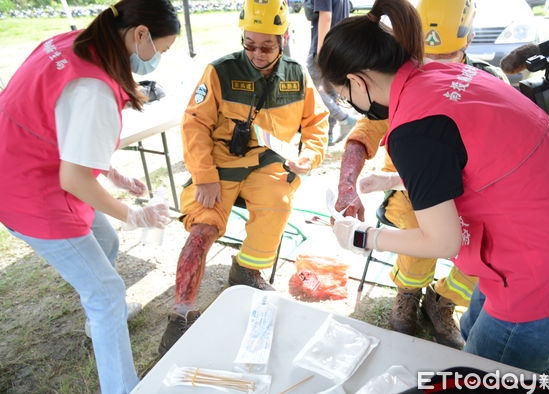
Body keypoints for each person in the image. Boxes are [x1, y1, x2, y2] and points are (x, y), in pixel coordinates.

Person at [319, 0, 549, 373]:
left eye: (343, 94)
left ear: (357, 81)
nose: (348, 103)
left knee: (490, 380)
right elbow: (468, 160)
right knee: (471, 337)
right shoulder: (448, 75)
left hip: (542, 273)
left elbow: (442, 241)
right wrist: (391, 179)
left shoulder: (414, 128)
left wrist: (360, 237)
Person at [0, 0, 179, 394]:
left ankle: (97, 321)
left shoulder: (69, 42)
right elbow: (75, 178)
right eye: (162, 50)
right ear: (140, 35)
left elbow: (59, 127)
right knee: (106, 292)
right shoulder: (94, 84)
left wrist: (111, 172)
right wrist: (136, 214)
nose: (157, 59)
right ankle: (121, 391)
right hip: (33, 193)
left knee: (107, 242)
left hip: (22, 167)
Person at [334, 0, 508, 350]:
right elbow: (364, 133)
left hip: (478, 194)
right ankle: (408, 293)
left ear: (469, 41)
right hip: (411, 191)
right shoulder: (399, 79)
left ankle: (443, 302)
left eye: (446, 60)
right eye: (425, 59)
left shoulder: (493, 81)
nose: (433, 71)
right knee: (419, 230)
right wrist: (347, 185)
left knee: (492, 242)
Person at [158, 0, 328, 355]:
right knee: (201, 230)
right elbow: (194, 124)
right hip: (220, 164)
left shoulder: (297, 74)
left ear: (284, 39)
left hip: (267, 161)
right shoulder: (219, 71)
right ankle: (181, 313)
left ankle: (246, 269)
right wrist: (204, 176)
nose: (257, 53)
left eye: (267, 46)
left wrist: (308, 156)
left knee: (277, 204)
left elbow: (316, 123)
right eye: (249, 44)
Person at [306, 0, 354, 144]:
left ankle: (343, 118)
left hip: (324, 47)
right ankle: (328, 135)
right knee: (329, 91)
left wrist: (321, 52)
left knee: (312, 89)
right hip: (338, 46)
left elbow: (326, 16)